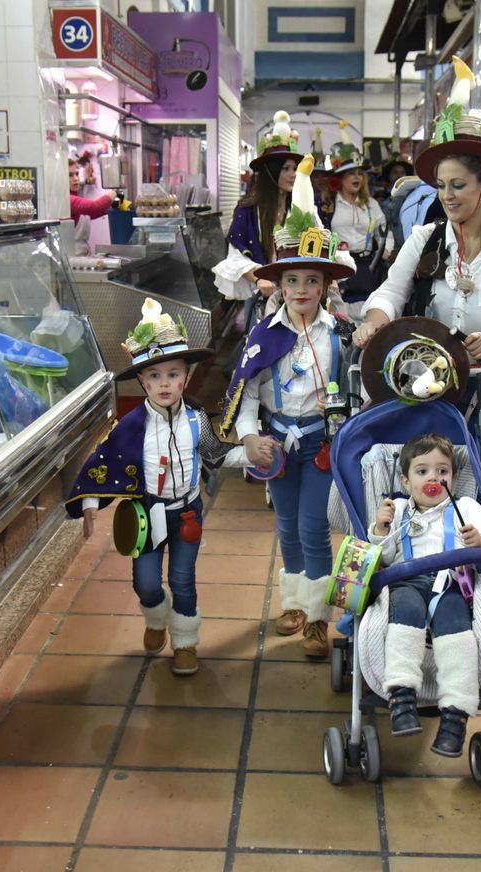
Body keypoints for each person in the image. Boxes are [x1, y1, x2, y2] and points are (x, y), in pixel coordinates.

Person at [357, 56, 481, 545]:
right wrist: (374, 321)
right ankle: (429, 573)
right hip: (429, 386)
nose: (447, 195)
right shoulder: (425, 239)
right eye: (441, 185)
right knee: (429, 490)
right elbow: (390, 292)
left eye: (458, 185)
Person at [220, 155, 357, 659]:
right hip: (276, 444)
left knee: (313, 526)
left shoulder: (339, 333)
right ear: (279, 285)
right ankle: (295, 602)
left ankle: (319, 618)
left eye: (311, 281)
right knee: (285, 525)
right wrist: (250, 436)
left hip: (321, 443)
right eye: (292, 281)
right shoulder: (265, 335)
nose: (301, 290)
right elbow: (247, 391)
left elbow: (354, 390)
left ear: (326, 285)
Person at [66, 299, 238, 676]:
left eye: (173, 374)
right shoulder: (132, 425)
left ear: (186, 378)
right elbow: (105, 460)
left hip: (187, 513)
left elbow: (216, 454)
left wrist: (252, 455)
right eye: (154, 376)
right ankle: (156, 617)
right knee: (145, 582)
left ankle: (185, 642)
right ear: (143, 381)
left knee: (182, 579)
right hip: (146, 514)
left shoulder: (196, 420)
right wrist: (91, 501)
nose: (164, 384)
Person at [369, 433, 481, 757]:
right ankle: (402, 696)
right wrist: (381, 530)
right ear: (405, 481)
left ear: (453, 478)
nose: (433, 478)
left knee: (458, 630)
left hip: (451, 582)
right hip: (406, 580)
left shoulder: (466, 507)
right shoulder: (398, 509)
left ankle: (455, 717)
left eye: (442, 471)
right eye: (422, 471)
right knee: (404, 615)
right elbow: (381, 558)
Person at [213, 110, 303, 304]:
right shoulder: (247, 210)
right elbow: (235, 256)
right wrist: (259, 278)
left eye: (295, 169)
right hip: (262, 298)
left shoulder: (302, 208)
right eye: (286, 169)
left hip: (300, 297)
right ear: (271, 172)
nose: (293, 174)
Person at [323, 123, 394, 316]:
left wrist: (385, 249)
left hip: (368, 267)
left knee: (368, 311)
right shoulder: (328, 204)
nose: (357, 178)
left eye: (359, 174)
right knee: (341, 315)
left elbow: (384, 230)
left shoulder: (370, 204)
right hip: (339, 267)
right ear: (340, 178)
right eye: (351, 173)